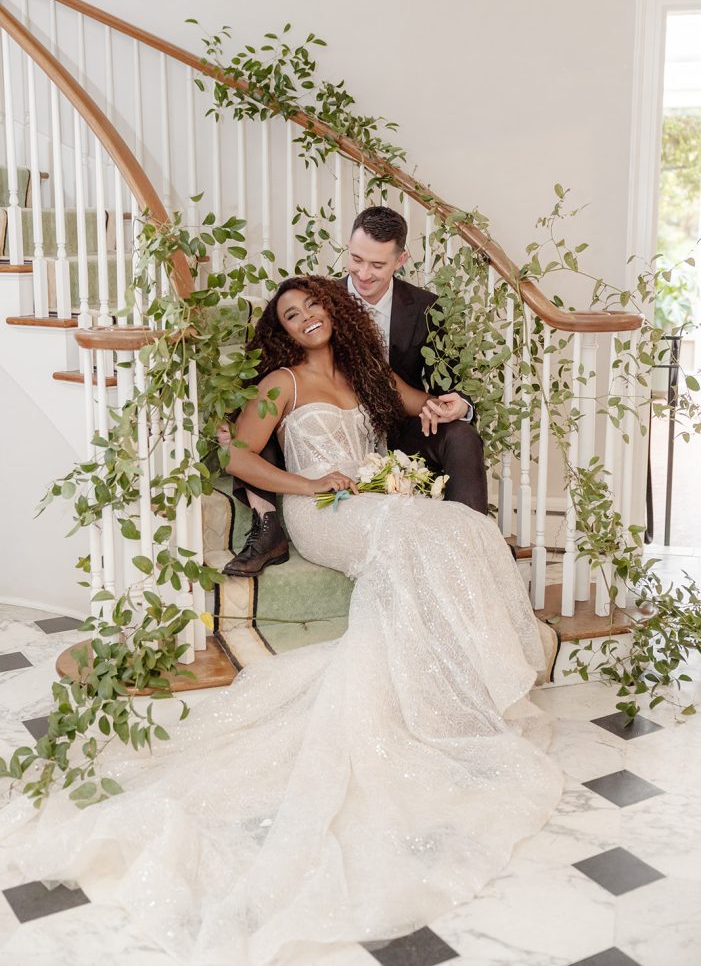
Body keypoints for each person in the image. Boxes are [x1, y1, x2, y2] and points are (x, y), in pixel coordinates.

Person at [1, 275, 561, 966]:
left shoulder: (367, 369)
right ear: (285, 332)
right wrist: (308, 485)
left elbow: (428, 406)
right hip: (323, 513)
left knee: (454, 526)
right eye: (291, 316)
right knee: (427, 532)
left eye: (312, 305)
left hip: (377, 501)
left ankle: (454, 682)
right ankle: (445, 684)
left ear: (333, 309)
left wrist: (454, 403)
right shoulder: (281, 384)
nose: (305, 319)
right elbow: (233, 454)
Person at [224, 204, 488, 576]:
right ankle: (266, 523)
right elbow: (243, 446)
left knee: (459, 440)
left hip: (384, 449)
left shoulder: (420, 315)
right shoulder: (313, 313)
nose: (363, 274)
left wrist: (457, 405)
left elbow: (431, 394)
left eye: (377, 265)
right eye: (356, 259)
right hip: (322, 489)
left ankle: (479, 547)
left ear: (400, 260)